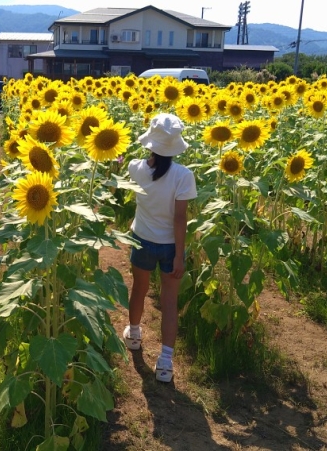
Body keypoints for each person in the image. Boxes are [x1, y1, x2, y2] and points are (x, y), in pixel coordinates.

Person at [122, 113, 197, 383]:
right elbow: (180, 219)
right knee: (169, 302)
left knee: (139, 289)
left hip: (142, 239)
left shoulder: (135, 168)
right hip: (170, 246)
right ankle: (165, 362)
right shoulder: (183, 176)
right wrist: (179, 256)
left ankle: (134, 334)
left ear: (151, 142)